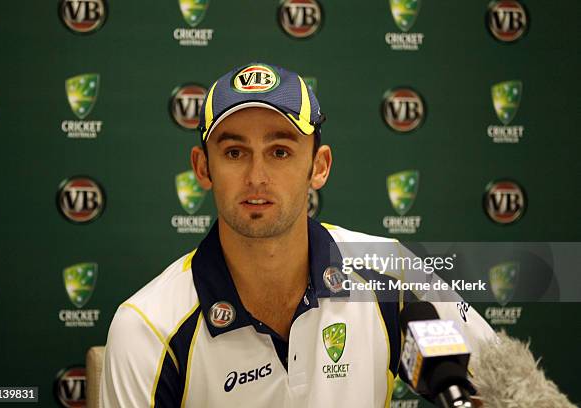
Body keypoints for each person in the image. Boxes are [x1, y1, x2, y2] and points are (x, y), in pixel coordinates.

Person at [100, 62, 494, 407]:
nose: (256, 177)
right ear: (202, 169)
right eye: (235, 153)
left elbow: (504, 386)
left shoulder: (391, 274)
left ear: (319, 167)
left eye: (280, 152)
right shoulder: (147, 329)